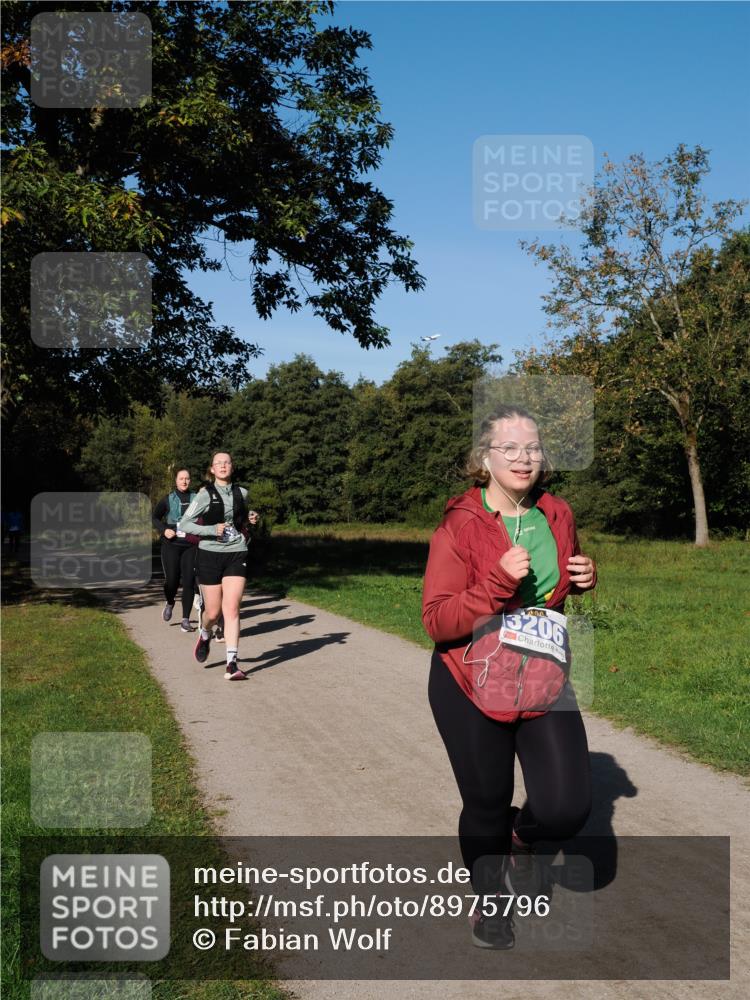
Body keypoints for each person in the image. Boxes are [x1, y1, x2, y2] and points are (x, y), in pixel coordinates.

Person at [422, 404, 597, 949]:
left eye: (534, 448)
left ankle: (524, 839)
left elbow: (555, 591)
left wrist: (587, 577)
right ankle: (489, 901)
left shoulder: (556, 513)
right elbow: (437, 618)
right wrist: (496, 586)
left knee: (568, 806)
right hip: (468, 679)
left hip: (541, 674)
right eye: (510, 448)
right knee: (487, 802)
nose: (524, 459)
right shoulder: (460, 524)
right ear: (485, 457)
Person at [180, 452, 259, 680]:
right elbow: (184, 523)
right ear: (212, 469)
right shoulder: (205, 495)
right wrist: (209, 530)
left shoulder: (242, 493)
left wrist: (250, 518)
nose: (223, 465)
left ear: (232, 467)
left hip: (236, 552)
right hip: (209, 555)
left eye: (227, 462)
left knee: (232, 608)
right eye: (218, 463)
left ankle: (232, 664)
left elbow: (241, 519)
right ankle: (205, 633)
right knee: (213, 612)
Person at [152, 469, 198, 632]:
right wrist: (164, 530)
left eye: (187, 478)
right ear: (176, 481)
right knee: (172, 581)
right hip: (171, 544)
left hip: (191, 545)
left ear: (190, 481)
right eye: (181, 478)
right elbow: (155, 517)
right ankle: (170, 601)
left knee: (189, 581)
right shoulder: (168, 499)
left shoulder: (197, 499)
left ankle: (185, 620)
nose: (184, 481)